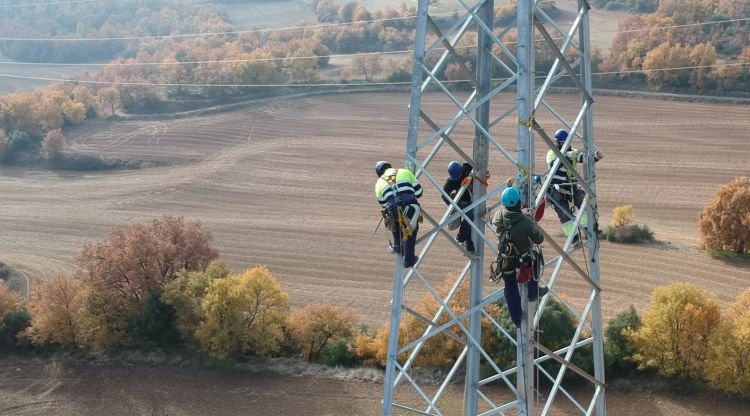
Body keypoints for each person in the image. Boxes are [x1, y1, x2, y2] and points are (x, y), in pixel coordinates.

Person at [490, 187, 547, 327]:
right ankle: (533, 291)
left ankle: (517, 319)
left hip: (505, 260)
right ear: (519, 202)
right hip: (523, 259)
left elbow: (499, 220)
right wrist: (528, 218)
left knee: (510, 287)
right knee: (536, 257)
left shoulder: (498, 216)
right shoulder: (525, 221)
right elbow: (539, 239)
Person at [546, 129, 604, 238]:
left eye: (567, 142)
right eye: (564, 143)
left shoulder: (573, 151)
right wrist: (567, 155)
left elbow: (583, 158)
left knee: (585, 203)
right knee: (565, 215)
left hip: (572, 188)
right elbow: (554, 164)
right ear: (558, 143)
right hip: (557, 190)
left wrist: (596, 157)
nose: (566, 145)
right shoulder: (551, 154)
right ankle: (574, 238)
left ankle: (590, 228)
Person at [375, 160, 423, 268]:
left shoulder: (378, 184)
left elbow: (383, 204)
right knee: (411, 229)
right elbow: (419, 193)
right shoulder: (405, 172)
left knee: (393, 221)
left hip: (392, 208)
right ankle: (409, 260)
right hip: (410, 205)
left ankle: (397, 246)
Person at [442, 161, 475, 253]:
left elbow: (480, 169)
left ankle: (469, 246)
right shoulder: (451, 181)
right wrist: (453, 206)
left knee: (470, 221)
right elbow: (444, 195)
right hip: (460, 202)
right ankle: (462, 239)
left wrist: (470, 178)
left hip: (473, 197)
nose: (458, 179)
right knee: (470, 217)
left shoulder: (468, 167)